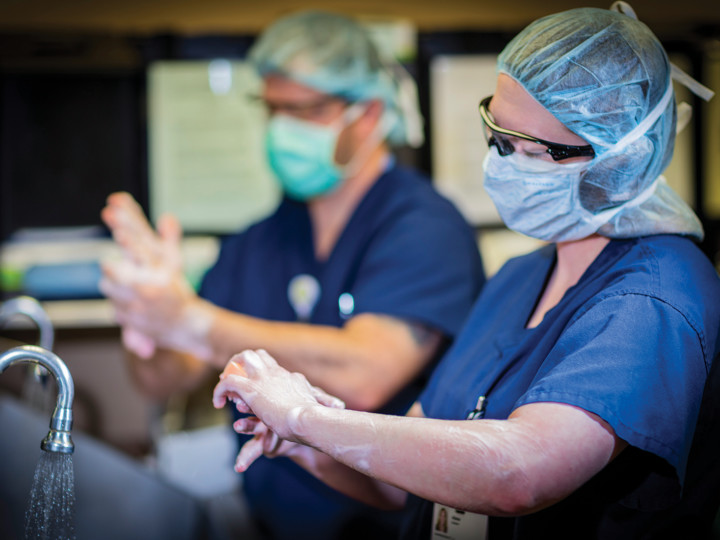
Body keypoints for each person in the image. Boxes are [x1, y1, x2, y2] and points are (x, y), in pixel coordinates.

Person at [212, 3, 720, 539]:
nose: (503, 166)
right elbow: (404, 478)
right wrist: (312, 445)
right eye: (499, 138)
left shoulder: (656, 297)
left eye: (534, 152)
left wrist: (306, 418)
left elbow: (520, 474)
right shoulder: (520, 280)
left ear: (621, 158)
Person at [99, 10, 485, 540]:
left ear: (368, 115)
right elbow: (166, 378)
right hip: (268, 522)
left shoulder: (423, 227)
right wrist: (146, 314)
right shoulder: (259, 240)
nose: (282, 128)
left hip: (386, 525)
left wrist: (193, 321)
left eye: (303, 110)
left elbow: (367, 374)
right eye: (272, 109)